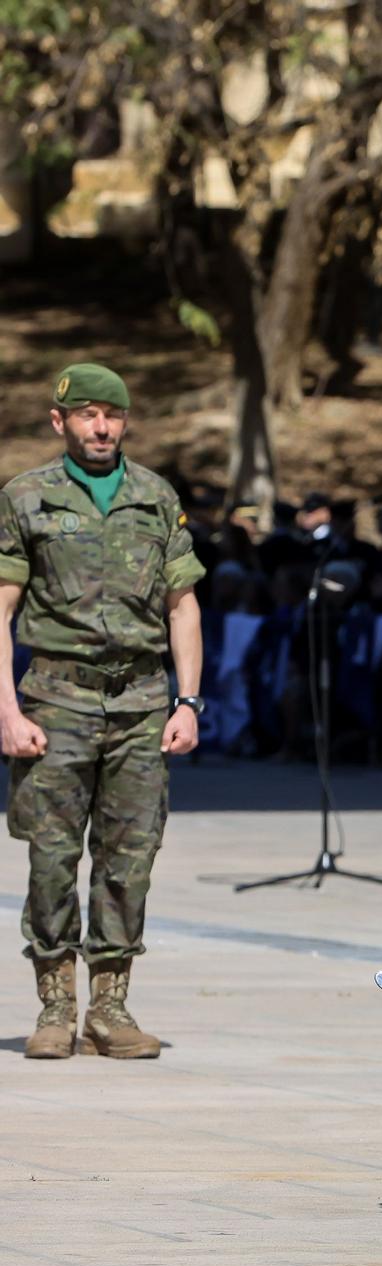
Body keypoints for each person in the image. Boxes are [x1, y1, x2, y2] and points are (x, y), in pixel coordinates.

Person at [0, 363, 205, 1060]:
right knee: (53, 856)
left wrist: (188, 701)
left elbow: (184, 605)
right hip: (55, 699)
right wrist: (7, 709)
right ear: (59, 421)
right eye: (86, 414)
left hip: (143, 702)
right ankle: (56, 1004)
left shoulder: (154, 496)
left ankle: (111, 1005)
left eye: (111, 414)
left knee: (130, 857)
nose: (101, 426)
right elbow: (0, 610)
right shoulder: (26, 498)